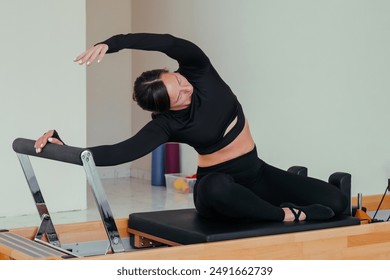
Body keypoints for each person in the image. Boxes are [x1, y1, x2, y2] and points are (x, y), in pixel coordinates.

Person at [34, 33, 348, 222]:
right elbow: (117, 153)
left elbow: (168, 42)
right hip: (218, 187)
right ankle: (287, 214)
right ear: (164, 110)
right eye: (178, 96)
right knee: (215, 188)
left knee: (336, 203)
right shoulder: (167, 125)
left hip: (258, 173)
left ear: (173, 71)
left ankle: (273, 201)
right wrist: (65, 148)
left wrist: (111, 43)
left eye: (179, 82)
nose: (187, 90)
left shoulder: (198, 69)